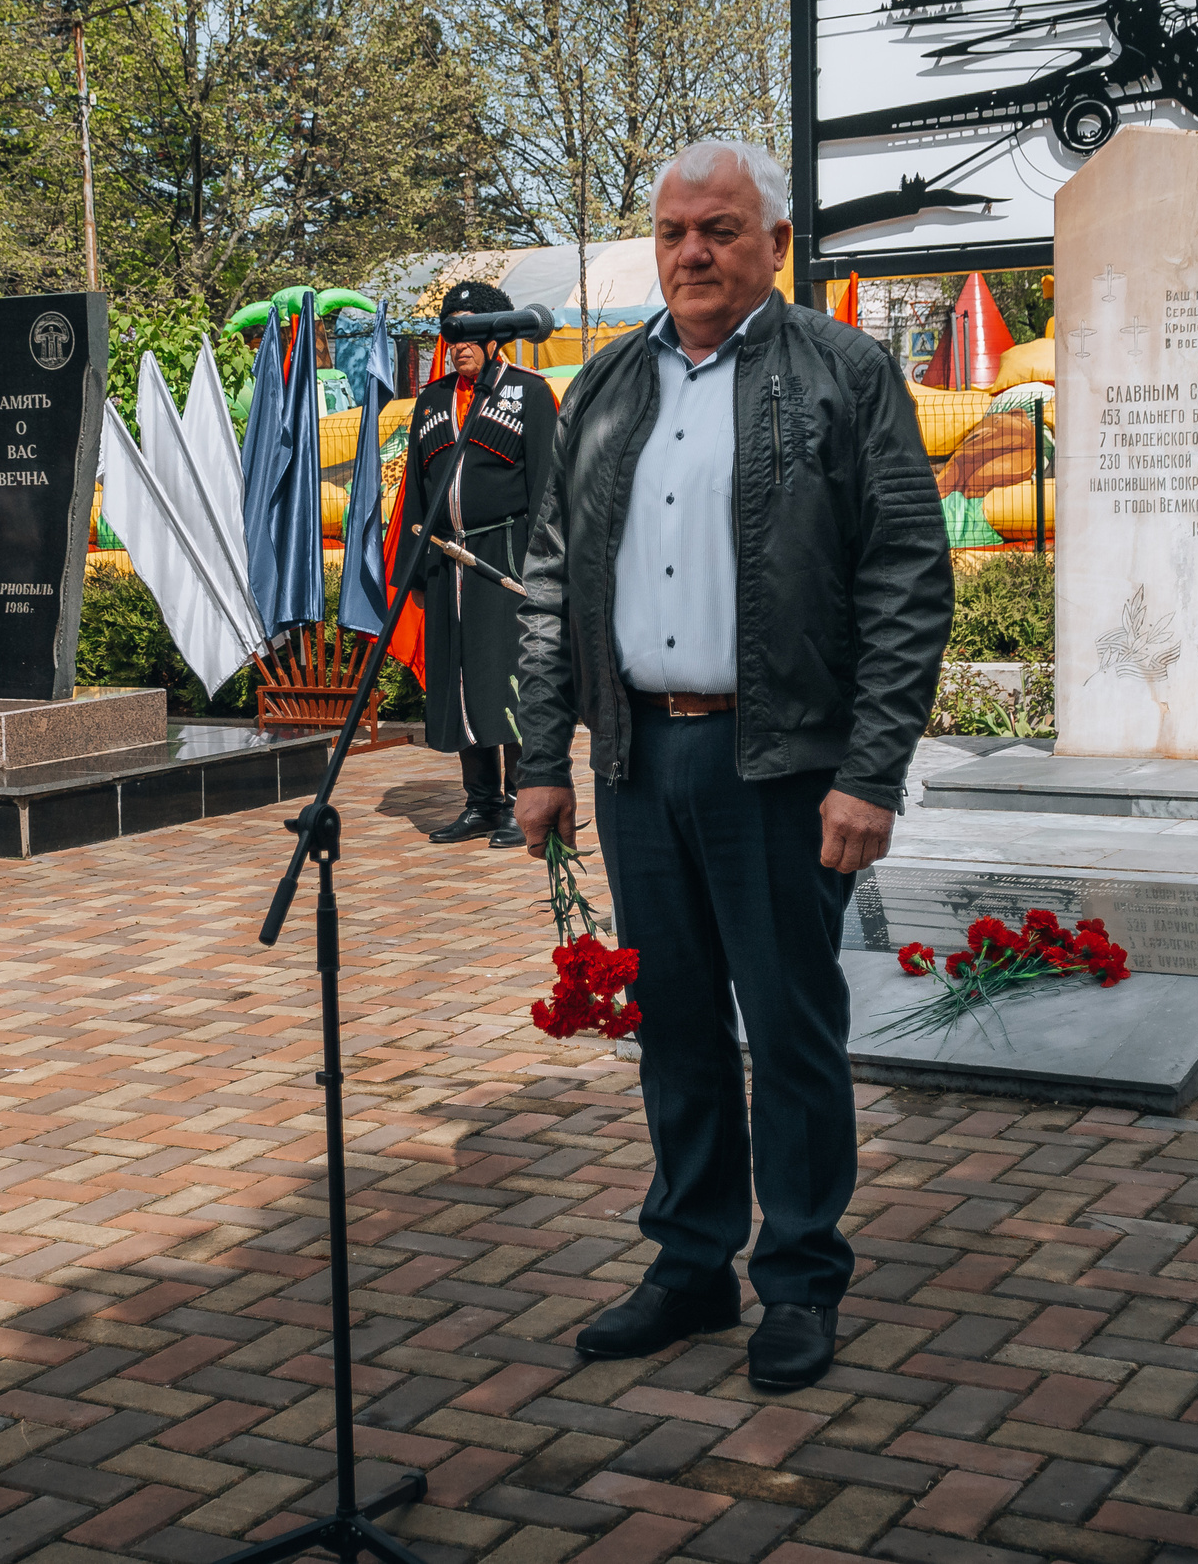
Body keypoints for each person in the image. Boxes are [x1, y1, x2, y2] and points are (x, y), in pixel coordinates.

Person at [511, 139, 952, 1390]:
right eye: (671, 232)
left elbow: (906, 576)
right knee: (681, 1032)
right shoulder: (603, 386)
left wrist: (870, 772)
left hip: (782, 769)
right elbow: (553, 584)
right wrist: (545, 755)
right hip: (640, 763)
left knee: (791, 1031)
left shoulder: (843, 372)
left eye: (718, 229)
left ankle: (801, 1276)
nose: (692, 252)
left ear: (774, 240)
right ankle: (691, 1263)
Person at [393, 280, 560, 847]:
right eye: (452, 330)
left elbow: (547, 488)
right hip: (446, 561)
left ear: (498, 332)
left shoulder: (530, 394)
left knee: (506, 680)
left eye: (472, 329)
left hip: (505, 558)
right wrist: (413, 571)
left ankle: (521, 801)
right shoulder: (433, 399)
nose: (459, 343)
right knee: (460, 679)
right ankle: (482, 802)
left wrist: (545, 569)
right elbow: (416, 492)